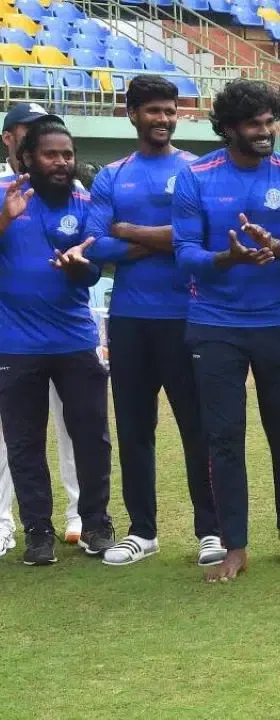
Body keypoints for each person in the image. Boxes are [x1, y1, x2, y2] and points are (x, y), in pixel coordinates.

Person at [173, 79, 280, 582]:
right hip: (215, 325)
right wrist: (226, 256)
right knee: (223, 437)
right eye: (253, 124)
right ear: (229, 127)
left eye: (269, 121)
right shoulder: (197, 177)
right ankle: (234, 546)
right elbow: (184, 255)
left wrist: (279, 249)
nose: (265, 131)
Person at [83, 76, 224, 568]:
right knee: (135, 429)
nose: (163, 119)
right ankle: (143, 531)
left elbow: (201, 236)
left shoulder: (197, 168)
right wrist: (162, 240)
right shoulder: (112, 175)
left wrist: (128, 232)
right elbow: (96, 245)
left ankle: (211, 530)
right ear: (133, 115)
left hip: (189, 316)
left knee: (197, 428)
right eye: (153, 111)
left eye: (170, 111)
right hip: (129, 320)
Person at [0, 121, 115, 565]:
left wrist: (78, 267)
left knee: (91, 437)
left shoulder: (86, 200)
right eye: (51, 154)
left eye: (67, 154)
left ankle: (95, 523)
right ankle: (38, 533)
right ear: (26, 158)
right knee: (25, 442)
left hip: (74, 341)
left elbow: (93, 271)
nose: (62, 162)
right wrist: (5, 219)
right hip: (15, 345)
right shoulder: (7, 196)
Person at [0, 102, 80, 554]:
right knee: (13, 433)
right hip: (10, 330)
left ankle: (77, 514)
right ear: (12, 139)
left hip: (66, 326)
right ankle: (4, 521)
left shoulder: (69, 184)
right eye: (29, 133)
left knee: (74, 424)